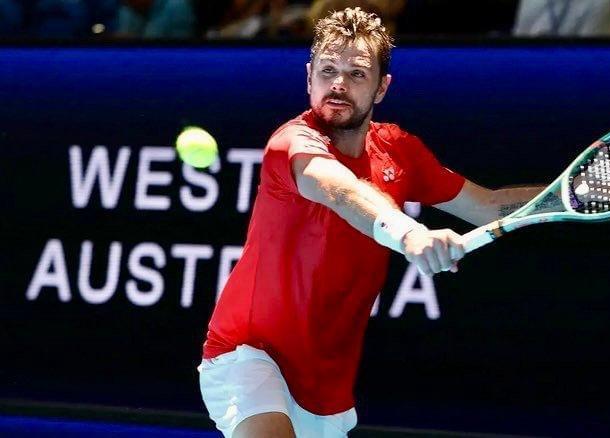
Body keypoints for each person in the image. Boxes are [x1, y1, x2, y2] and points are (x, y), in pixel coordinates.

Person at [198, 7, 544, 438]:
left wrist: (565, 196)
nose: (338, 84)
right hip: (249, 353)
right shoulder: (290, 142)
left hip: (326, 384)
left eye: (357, 74)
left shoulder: (399, 150)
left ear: (382, 87)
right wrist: (409, 233)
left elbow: (488, 207)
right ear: (309, 77)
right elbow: (339, 190)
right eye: (327, 71)